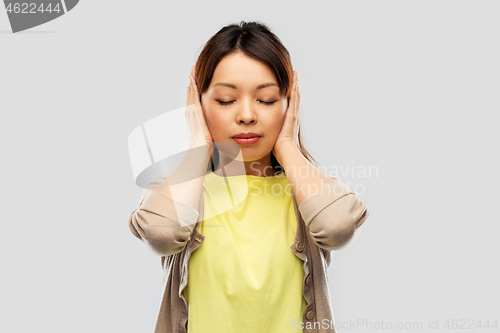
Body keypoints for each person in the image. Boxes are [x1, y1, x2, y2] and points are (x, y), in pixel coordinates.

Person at [128, 21, 369, 333]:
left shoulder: (307, 192)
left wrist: (286, 146)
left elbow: (337, 228)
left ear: (289, 104)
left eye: (266, 99)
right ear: (198, 106)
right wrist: (199, 149)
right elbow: (162, 232)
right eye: (226, 100)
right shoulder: (182, 189)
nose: (246, 115)